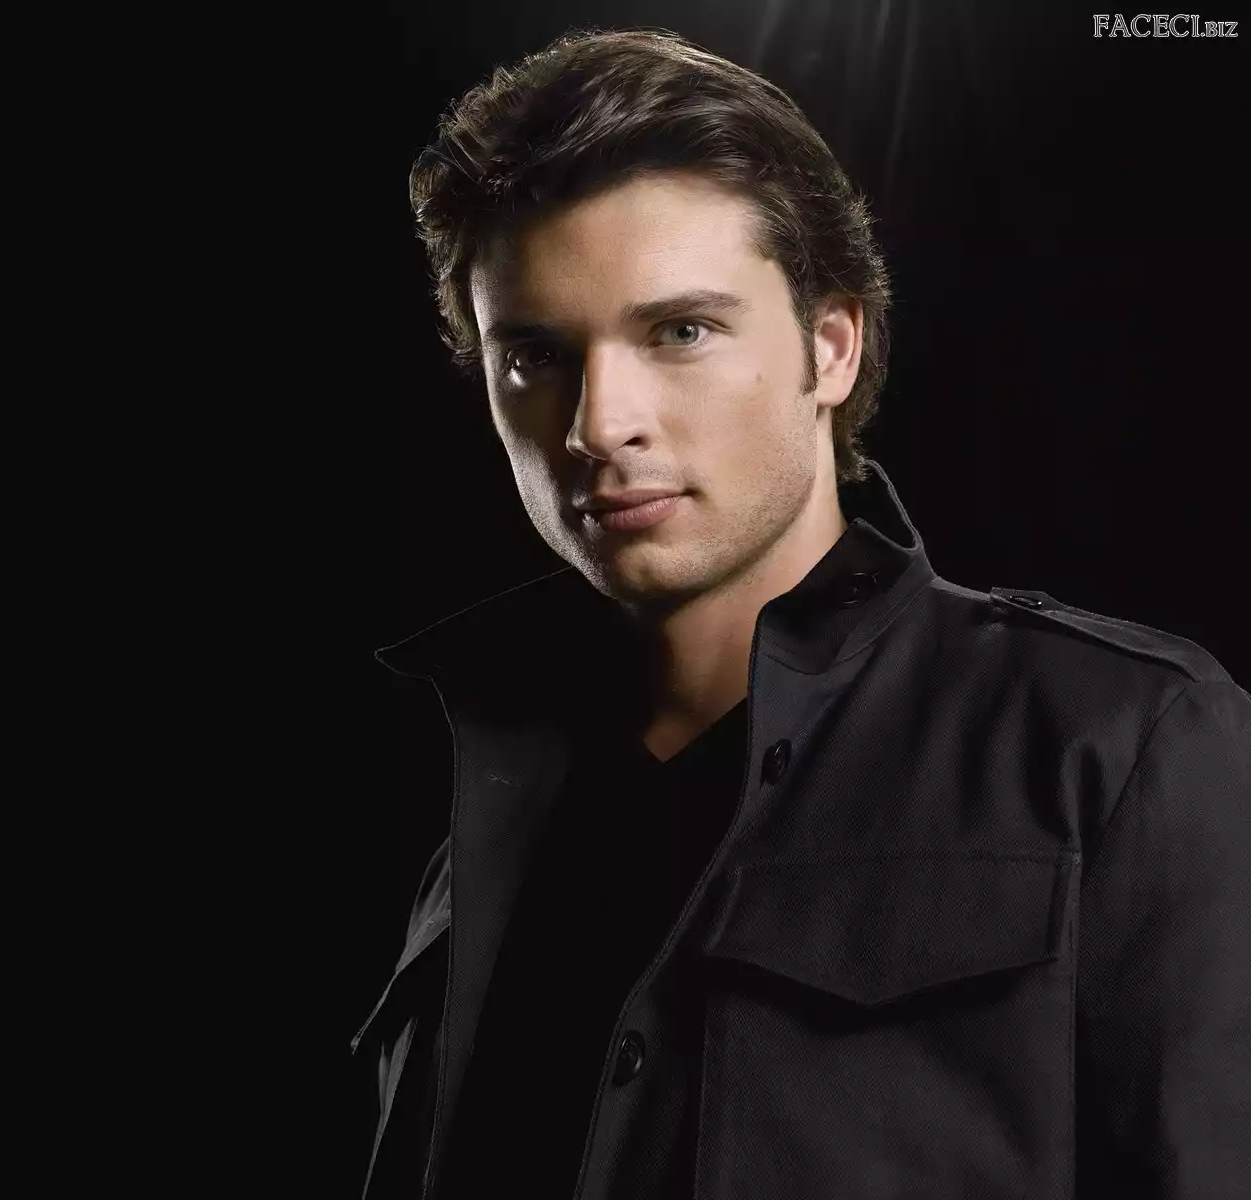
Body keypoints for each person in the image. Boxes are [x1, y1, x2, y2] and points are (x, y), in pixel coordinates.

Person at [350, 27, 1251, 1200]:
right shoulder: (480, 825)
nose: (597, 425)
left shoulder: (1120, 748)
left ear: (830, 349)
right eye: (534, 355)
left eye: (681, 331)